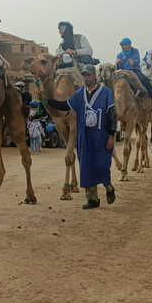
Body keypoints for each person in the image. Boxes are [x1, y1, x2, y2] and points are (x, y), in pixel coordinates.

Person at [44, 64, 116, 209]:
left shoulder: (106, 92)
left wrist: (111, 135)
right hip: (84, 136)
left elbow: (111, 115)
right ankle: (92, 199)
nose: (86, 78)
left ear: (94, 76)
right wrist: (47, 101)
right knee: (86, 166)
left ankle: (109, 187)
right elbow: (64, 106)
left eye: (89, 75)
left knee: (101, 165)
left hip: (101, 136)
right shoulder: (79, 94)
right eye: (84, 75)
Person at [115, 38, 152, 108]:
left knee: (144, 79)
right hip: (124, 72)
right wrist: (117, 64)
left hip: (135, 70)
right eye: (125, 45)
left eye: (128, 44)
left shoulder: (135, 51)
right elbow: (118, 67)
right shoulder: (119, 55)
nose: (127, 46)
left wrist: (134, 62)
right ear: (122, 46)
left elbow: (137, 60)